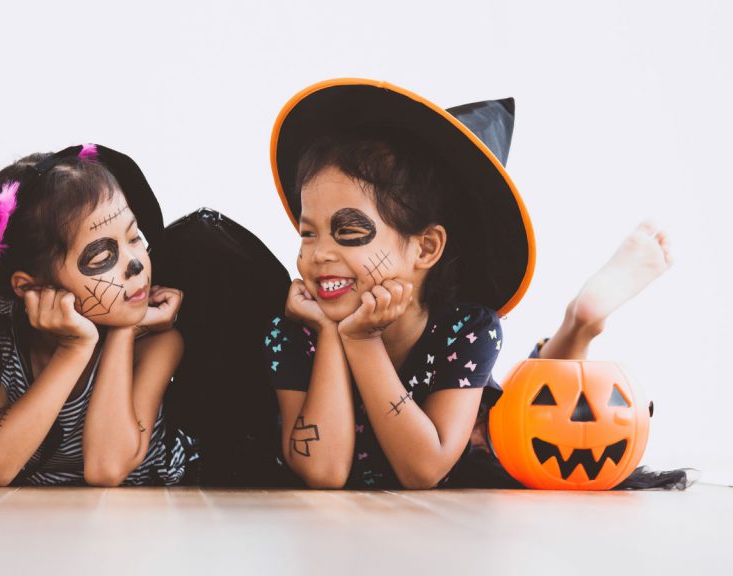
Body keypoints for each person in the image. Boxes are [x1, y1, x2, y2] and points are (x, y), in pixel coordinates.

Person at [264, 79, 682, 489]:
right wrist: (333, 335)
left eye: (349, 235)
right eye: (307, 233)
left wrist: (363, 341)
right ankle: (572, 330)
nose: (318, 255)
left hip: (475, 442)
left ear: (425, 248)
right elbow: (323, 472)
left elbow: (424, 470)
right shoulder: (295, 329)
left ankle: (579, 323)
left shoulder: (466, 328)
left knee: (525, 425)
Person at [0, 144, 192, 487]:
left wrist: (125, 328)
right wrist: (74, 349)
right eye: (101, 257)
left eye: (134, 237)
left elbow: (107, 468)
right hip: (38, 522)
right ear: (29, 287)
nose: (136, 264)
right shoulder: (1, 345)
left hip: (137, 515)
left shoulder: (158, 343)